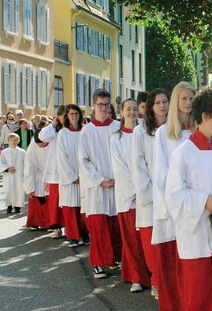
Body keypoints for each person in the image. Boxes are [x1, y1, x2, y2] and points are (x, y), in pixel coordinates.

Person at [165, 85, 212, 310]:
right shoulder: (184, 153)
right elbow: (174, 195)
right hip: (197, 240)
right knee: (200, 297)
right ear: (205, 116)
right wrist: (205, 200)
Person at [152, 81, 195, 310]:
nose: (188, 103)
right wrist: (169, 208)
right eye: (184, 98)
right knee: (173, 267)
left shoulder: (201, 130)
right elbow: (160, 174)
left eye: (191, 99)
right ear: (176, 100)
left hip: (197, 205)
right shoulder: (163, 134)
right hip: (173, 209)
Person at [78, 89, 122, 279]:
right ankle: (99, 263)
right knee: (98, 226)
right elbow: (83, 160)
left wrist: (119, 177)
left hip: (119, 184)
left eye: (106, 104)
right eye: (100, 105)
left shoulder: (118, 127)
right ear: (93, 106)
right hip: (97, 186)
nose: (103, 108)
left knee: (116, 225)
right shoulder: (86, 131)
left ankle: (118, 258)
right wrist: (99, 180)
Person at [111, 98, 151, 293]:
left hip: (146, 194)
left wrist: (146, 188)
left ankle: (151, 274)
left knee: (147, 240)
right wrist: (136, 191)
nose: (132, 112)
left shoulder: (144, 132)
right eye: (128, 109)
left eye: (135, 109)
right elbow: (120, 169)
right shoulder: (116, 138)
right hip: (129, 198)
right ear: (121, 111)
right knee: (132, 240)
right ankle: (137, 277)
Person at [132, 88, 169, 299]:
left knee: (169, 245)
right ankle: (156, 283)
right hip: (151, 198)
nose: (162, 106)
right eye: (157, 103)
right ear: (150, 107)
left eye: (165, 101)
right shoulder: (141, 131)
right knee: (152, 245)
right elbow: (138, 166)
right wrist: (152, 193)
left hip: (172, 196)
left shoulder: (175, 129)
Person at [57, 104, 87, 248]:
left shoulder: (86, 131)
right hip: (69, 177)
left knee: (84, 207)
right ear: (67, 116)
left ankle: (85, 234)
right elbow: (62, 157)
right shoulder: (63, 133)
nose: (74, 116)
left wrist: (85, 175)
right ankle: (73, 236)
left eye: (76, 113)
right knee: (71, 208)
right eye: (71, 114)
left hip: (85, 175)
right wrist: (73, 176)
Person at [38, 105, 67, 239]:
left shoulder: (73, 129)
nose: (66, 118)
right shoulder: (54, 132)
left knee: (69, 202)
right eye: (63, 116)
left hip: (70, 171)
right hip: (56, 173)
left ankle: (70, 227)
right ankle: (57, 227)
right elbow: (42, 136)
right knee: (55, 202)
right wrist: (54, 123)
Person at [24, 129, 51, 230]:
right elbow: (29, 167)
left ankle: (51, 223)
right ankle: (35, 221)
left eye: (43, 144)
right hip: (37, 175)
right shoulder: (33, 146)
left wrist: (50, 179)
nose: (40, 146)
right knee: (36, 199)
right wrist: (29, 186)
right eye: (38, 144)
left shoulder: (53, 144)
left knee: (49, 201)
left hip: (50, 175)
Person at [1, 133, 26, 214]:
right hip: (8, 175)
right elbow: (1, 162)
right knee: (9, 189)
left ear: (18, 141)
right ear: (8, 141)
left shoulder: (22, 152)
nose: (13, 142)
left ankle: (17, 206)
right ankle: (9, 205)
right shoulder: (4, 152)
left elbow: (26, 163)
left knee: (18, 189)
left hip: (19, 174)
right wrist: (7, 168)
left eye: (15, 140)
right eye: (11, 140)